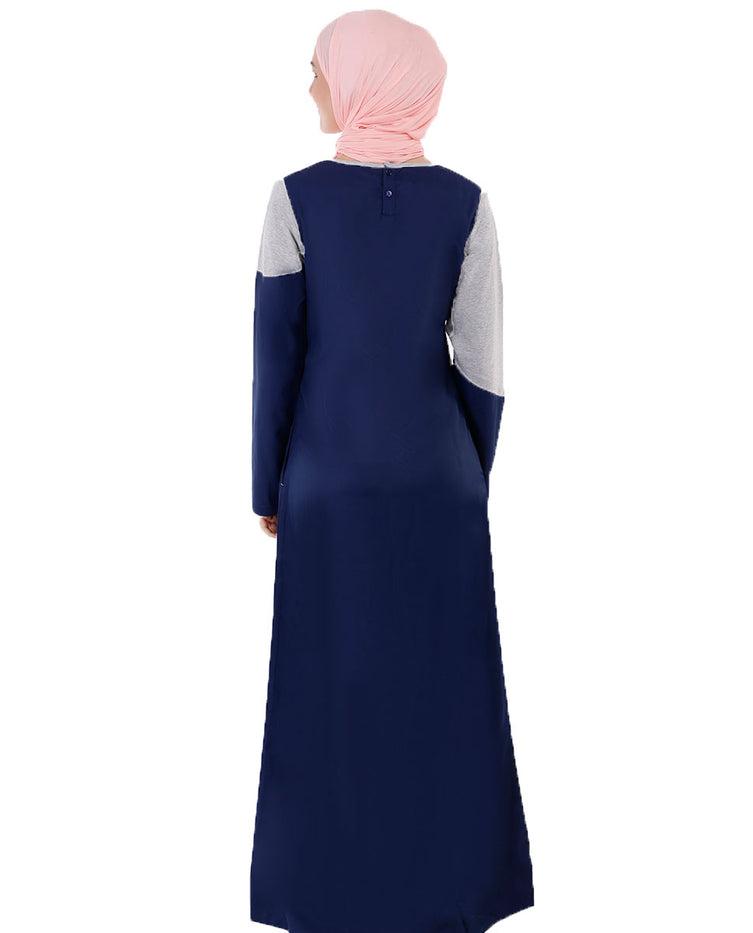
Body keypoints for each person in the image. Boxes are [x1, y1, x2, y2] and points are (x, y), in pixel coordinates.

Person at [249, 10, 534, 932]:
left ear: (359, 78)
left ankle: (325, 895)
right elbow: (484, 366)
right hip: (438, 480)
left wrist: (266, 484)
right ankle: (451, 893)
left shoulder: (293, 200)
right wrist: (465, 472)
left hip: (324, 480)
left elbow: (276, 356)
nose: (310, 84)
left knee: (327, 689)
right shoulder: (467, 203)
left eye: (317, 68)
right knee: (443, 690)